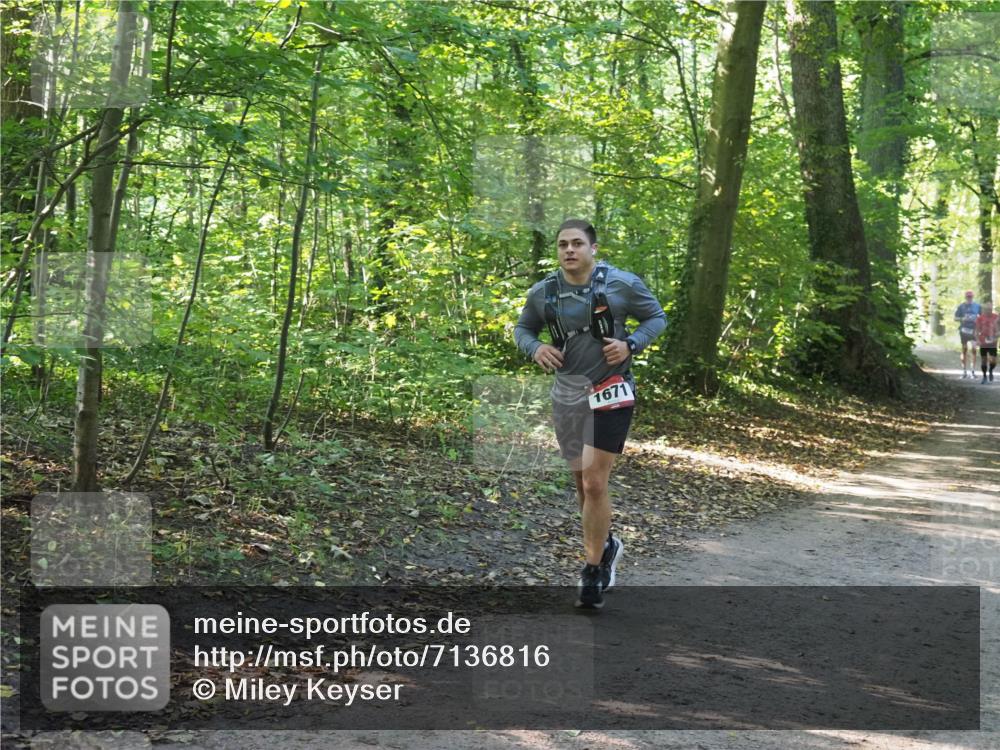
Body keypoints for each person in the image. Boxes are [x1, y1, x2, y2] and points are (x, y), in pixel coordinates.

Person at [514, 219, 666, 609]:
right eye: (563, 244)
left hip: (611, 389)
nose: (569, 250)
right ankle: (608, 544)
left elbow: (657, 318)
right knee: (582, 486)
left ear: (593, 249)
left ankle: (592, 569)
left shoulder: (621, 283)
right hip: (568, 394)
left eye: (577, 243)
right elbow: (523, 329)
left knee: (596, 484)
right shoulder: (544, 291)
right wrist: (535, 349)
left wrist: (631, 343)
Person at [954, 291, 981, 378]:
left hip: (974, 330)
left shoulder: (977, 306)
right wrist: (962, 318)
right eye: (968, 297)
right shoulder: (961, 307)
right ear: (965, 297)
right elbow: (955, 318)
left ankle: (972, 371)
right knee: (964, 349)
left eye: (970, 297)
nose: (969, 298)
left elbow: (982, 317)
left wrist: (978, 320)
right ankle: (964, 371)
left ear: (973, 297)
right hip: (964, 330)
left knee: (974, 349)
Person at [975, 301, 998, 384]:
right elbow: (977, 330)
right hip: (983, 342)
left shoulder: (996, 317)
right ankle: (984, 376)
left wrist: (997, 335)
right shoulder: (980, 318)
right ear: (984, 310)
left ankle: (991, 370)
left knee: (993, 360)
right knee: (984, 360)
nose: (989, 311)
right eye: (987, 309)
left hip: (993, 342)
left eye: (990, 309)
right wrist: (977, 340)